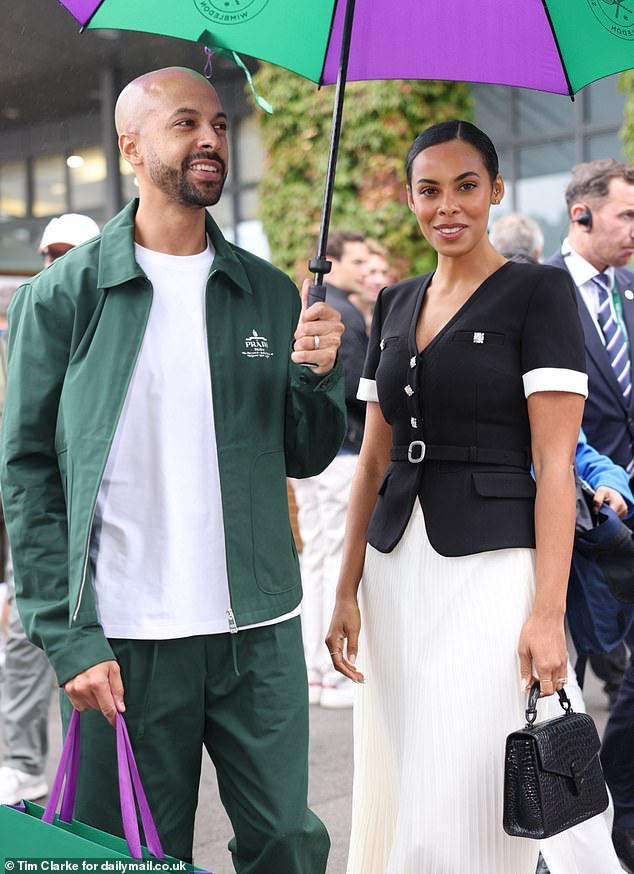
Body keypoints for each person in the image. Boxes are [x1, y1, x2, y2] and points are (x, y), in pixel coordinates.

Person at [0, 66, 346, 871]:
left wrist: (317, 380)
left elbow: (303, 452)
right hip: (125, 637)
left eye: (221, 126)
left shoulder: (267, 293)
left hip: (254, 629)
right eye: (185, 123)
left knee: (290, 841)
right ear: (131, 146)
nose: (210, 141)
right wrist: (68, 634)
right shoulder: (64, 296)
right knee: (124, 852)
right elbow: (26, 473)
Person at [327, 119, 589, 874]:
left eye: (466, 186)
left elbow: (556, 464)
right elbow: (373, 456)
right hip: (395, 570)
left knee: (466, 779)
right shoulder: (397, 300)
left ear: (495, 190)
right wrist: (344, 589)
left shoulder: (538, 292)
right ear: (411, 199)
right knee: (409, 766)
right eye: (429, 189)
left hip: (492, 571)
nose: (448, 205)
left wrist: (547, 612)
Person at [547, 160, 634, 872]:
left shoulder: (632, 288)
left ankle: (617, 813)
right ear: (581, 216)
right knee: (566, 684)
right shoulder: (540, 293)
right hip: (575, 523)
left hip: (627, 505)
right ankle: (569, 828)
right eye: (626, 217)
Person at [0, 212, 100, 807]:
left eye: (68, 253)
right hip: (39, 527)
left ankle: (69, 775)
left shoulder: (109, 321)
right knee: (22, 643)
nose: (54, 264)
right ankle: (22, 761)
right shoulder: (30, 323)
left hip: (100, 530)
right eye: (47, 253)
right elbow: (19, 458)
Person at [291, 231, 369, 708]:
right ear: (333, 263)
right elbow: (359, 384)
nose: (367, 267)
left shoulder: (309, 307)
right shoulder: (344, 314)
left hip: (316, 455)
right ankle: (332, 671)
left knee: (317, 557)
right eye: (359, 258)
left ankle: (316, 668)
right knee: (335, 559)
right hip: (343, 452)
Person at [351, 239, 391, 332]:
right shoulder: (337, 316)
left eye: (384, 273)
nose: (379, 280)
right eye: (372, 272)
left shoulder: (387, 320)